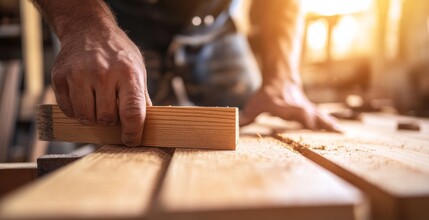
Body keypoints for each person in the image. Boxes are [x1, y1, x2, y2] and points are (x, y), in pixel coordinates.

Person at [30, 0, 341, 147]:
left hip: (213, 21)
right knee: (119, 142)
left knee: (258, 136)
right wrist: (84, 23)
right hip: (113, 17)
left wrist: (282, 77)